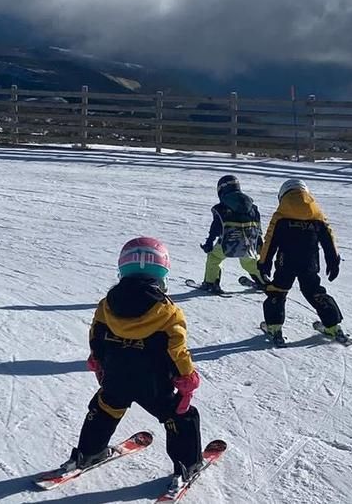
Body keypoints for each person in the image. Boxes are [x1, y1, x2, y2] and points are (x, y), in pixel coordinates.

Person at [60, 236, 205, 492]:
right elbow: (177, 349)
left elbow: (96, 335)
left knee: (105, 408)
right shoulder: (168, 312)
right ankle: (188, 464)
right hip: (154, 384)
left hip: (116, 377)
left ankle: (88, 453)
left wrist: (98, 361)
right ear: (162, 272)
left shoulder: (107, 305)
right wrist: (186, 379)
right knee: (181, 416)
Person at [257, 179, 345, 346]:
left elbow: (270, 240)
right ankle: (333, 326)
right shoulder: (316, 215)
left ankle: (274, 327)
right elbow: (329, 239)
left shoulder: (281, 215)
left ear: (283, 195)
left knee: (278, 290)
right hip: (309, 263)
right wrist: (333, 261)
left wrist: (264, 263)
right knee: (314, 291)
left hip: (286, 262)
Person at [196, 175, 264, 294]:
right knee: (249, 261)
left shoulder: (221, 207)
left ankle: (211, 283)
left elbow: (216, 227)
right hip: (248, 241)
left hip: (229, 241)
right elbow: (257, 226)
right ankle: (263, 281)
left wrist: (209, 242)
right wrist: (259, 242)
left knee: (215, 257)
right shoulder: (252, 206)